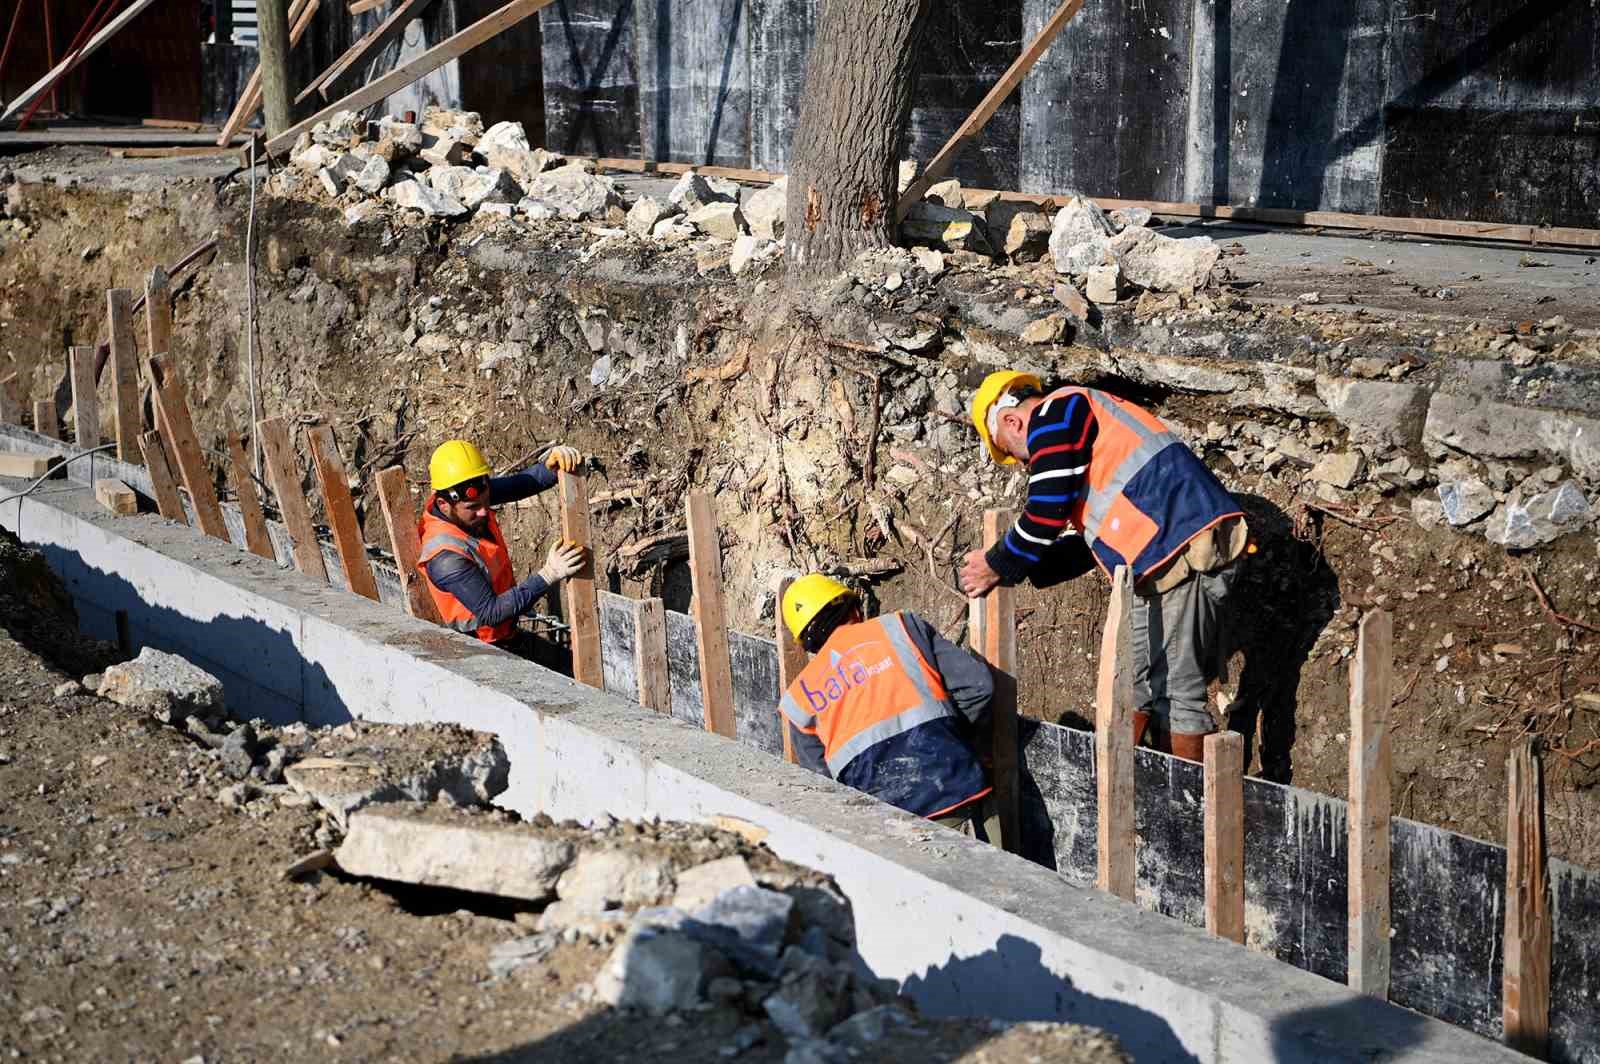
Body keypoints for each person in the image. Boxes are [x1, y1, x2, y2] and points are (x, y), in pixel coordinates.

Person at [960, 371, 1250, 763]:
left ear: (1012, 421)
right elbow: (1093, 537)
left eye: (1012, 452)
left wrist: (997, 563)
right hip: (1160, 556)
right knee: (1134, 684)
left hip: (1183, 544)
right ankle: (1124, 787)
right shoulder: (1082, 433)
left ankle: (1185, 810)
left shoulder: (1057, 410)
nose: (1021, 462)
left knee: (1177, 691)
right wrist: (1030, 567)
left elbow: (1047, 507)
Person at [777, 573, 1002, 845]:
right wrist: (951, 738)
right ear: (855, 610)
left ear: (808, 644)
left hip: (883, 836)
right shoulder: (901, 628)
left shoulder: (799, 701)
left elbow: (826, 790)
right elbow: (979, 686)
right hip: (957, 797)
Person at [417, 439, 587, 649]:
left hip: (507, 631)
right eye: (473, 507)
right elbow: (492, 612)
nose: (483, 511)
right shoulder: (446, 558)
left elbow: (518, 485)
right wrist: (549, 574)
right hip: (481, 648)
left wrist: (550, 468)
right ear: (444, 504)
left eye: (486, 501)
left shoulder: (466, 499)